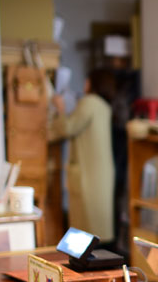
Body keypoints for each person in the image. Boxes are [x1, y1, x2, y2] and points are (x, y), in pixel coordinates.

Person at [49, 68, 116, 244]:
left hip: (88, 173)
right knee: (97, 223)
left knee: (86, 228)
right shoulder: (103, 105)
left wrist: (60, 108)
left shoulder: (89, 102)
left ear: (93, 83)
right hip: (100, 173)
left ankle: (85, 265)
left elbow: (68, 128)